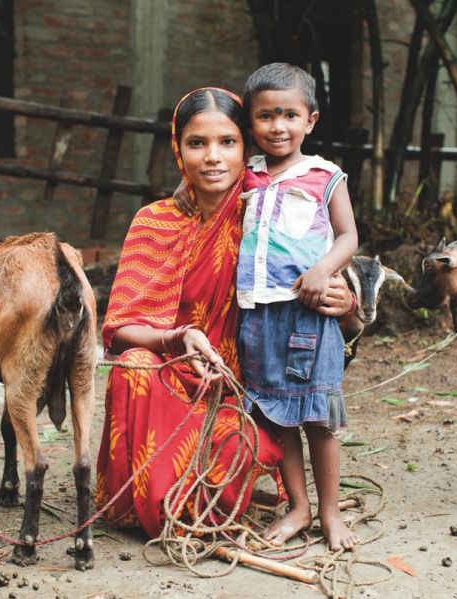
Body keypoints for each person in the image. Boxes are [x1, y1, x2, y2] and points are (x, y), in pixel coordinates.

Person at [94, 87, 354, 539]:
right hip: (174, 371)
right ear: (178, 149)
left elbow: (333, 289)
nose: (212, 157)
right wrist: (176, 338)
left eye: (227, 142)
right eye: (197, 143)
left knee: (241, 441)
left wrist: (347, 304)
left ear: (247, 148)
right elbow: (120, 328)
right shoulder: (153, 221)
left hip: (247, 384)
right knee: (132, 369)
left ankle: (266, 499)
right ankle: (144, 504)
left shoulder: (268, 215)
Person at [238, 63, 359, 551]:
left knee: (318, 418)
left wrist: (324, 270)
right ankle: (299, 506)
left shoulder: (325, 175)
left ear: (310, 120)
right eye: (266, 116)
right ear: (251, 123)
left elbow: (348, 234)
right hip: (257, 314)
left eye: (289, 114)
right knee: (274, 414)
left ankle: (329, 512)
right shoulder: (243, 175)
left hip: (309, 314)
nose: (278, 126)